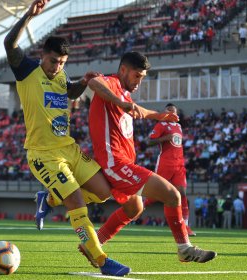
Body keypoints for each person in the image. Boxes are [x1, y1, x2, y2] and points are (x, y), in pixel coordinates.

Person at [0, 0, 130, 276]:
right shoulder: (27, 70)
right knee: (78, 205)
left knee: (105, 193)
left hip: (69, 148)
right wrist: (28, 16)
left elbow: (68, 92)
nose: (57, 66)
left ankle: (49, 200)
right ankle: (102, 261)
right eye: (53, 61)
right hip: (44, 154)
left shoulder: (60, 76)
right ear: (43, 55)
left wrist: (82, 83)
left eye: (62, 62)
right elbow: (9, 44)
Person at [88, 51, 216, 263]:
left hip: (123, 163)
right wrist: (120, 103)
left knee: (135, 208)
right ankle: (184, 248)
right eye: (137, 75)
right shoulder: (111, 83)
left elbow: (138, 110)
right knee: (173, 195)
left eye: (143, 77)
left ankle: (93, 244)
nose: (139, 81)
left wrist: (159, 115)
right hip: (115, 164)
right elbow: (93, 83)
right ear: (123, 70)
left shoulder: (124, 94)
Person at [144, 103, 196, 236]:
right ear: (165, 113)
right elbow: (149, 141)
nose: (172, 114)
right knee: (156, 194)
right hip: (165, 164)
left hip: (179, 164)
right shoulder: (160, 125)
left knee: (182, 194)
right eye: (169, 111)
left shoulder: (179, 126)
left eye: (174, 112)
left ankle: (186, 226)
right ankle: (137, 208)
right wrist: (164, 138)